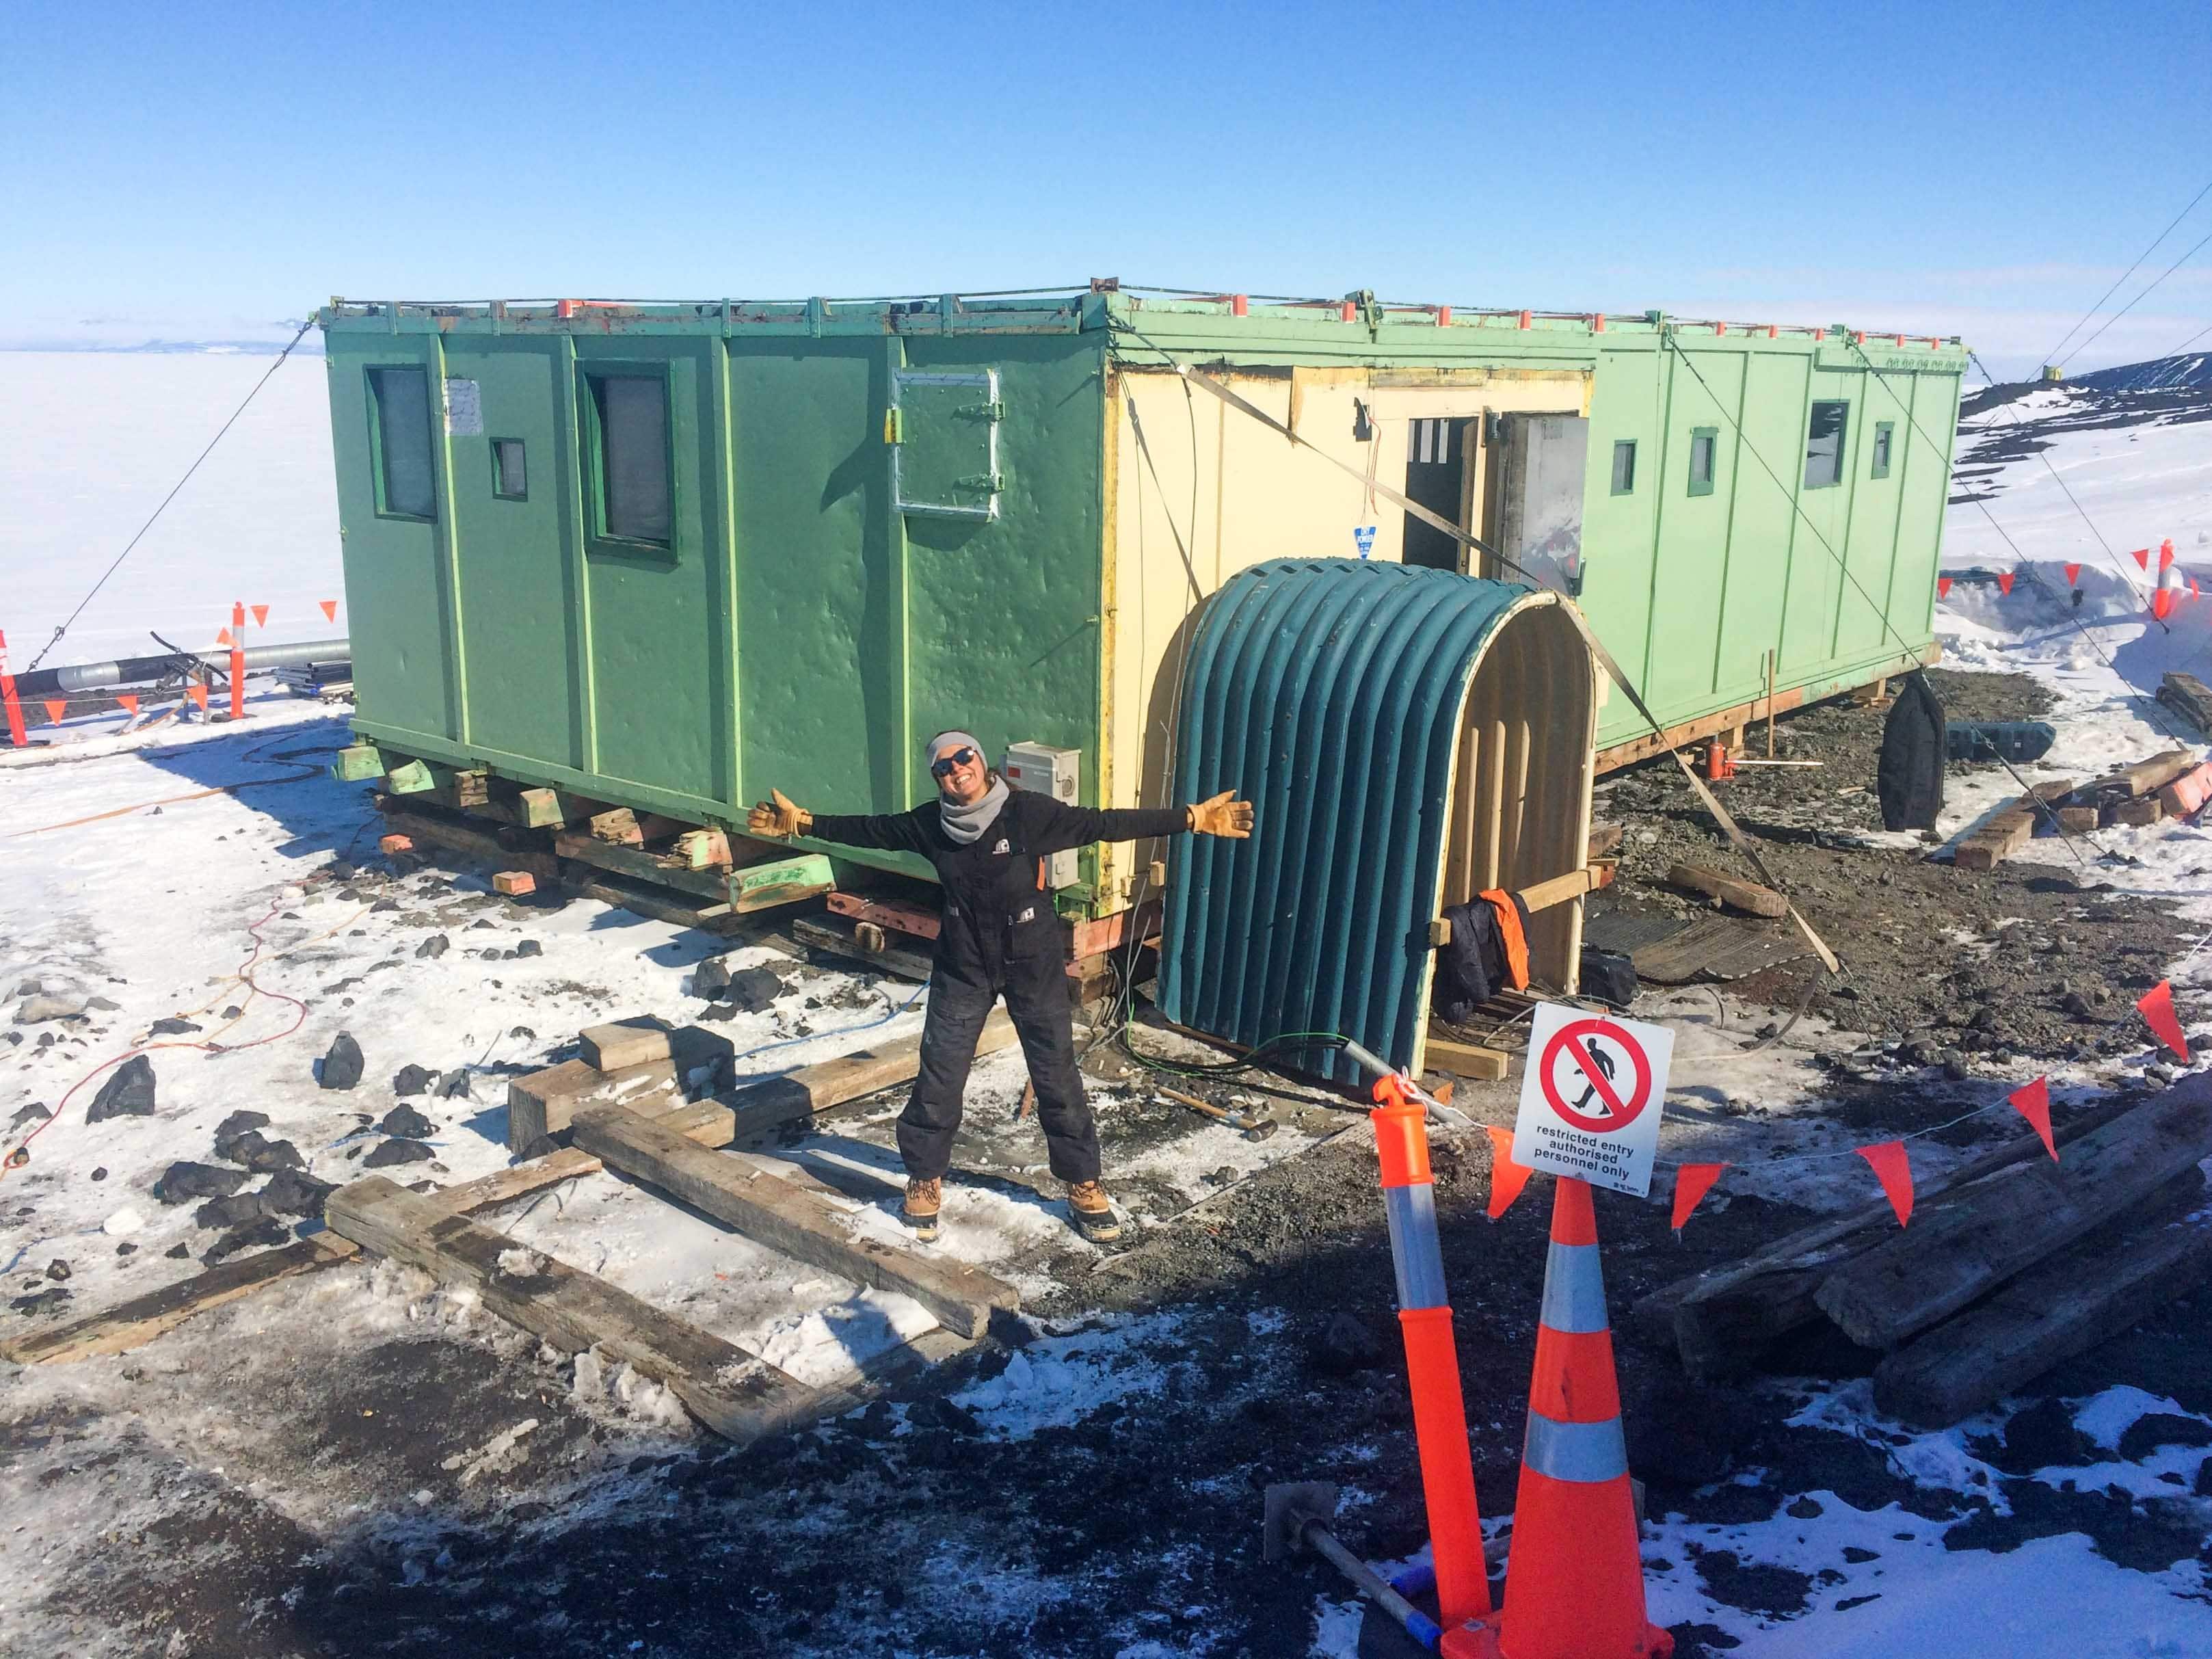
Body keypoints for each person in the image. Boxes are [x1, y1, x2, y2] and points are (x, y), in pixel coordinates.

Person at [747, 731, 1253, 1243]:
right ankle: (924, 1178)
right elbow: (872, 830)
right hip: (963, 964)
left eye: (963, 757)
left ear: (980, 760)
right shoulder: (930, 824)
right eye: (942, 766)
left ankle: (1082, 1183)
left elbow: (1106, 824)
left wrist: (1191, 818)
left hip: (1031, 961)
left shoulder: (1027, 813)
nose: (955, 769)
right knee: (940, 1072)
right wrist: (803, 822)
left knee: (1054, 1073)